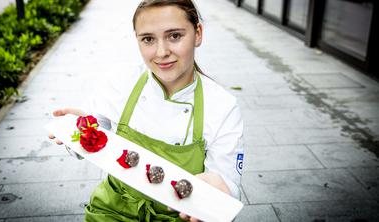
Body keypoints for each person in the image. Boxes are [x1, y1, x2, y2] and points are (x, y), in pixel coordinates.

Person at [49, 0, 245, 221]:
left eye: (174, 36)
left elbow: (227, 183)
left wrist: (219, 193)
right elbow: (98, 133)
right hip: (112, 211)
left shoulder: (222, 106)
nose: (161, 52)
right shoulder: (120, 81)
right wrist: (81, 132)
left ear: (197, 33)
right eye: (148, 39)